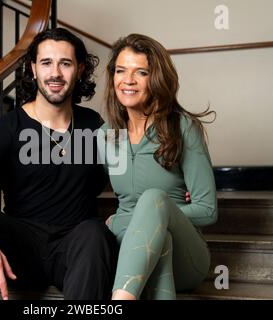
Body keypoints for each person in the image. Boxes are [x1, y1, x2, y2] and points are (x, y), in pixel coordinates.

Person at [0, 28, 118, 300]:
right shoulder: (7, 128)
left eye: (66, 63)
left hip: (75, 249)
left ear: (80, 69)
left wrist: (174, 190)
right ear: (33, 69)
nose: (56, 73)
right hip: (20, 250)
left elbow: (131, 174)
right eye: (46, 63)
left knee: (95, 233)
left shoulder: (94, 125)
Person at [97, 34, 217, 300]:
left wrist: (160, 211)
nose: (127, 80)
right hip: (132, 247)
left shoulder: (182, 127)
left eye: (141, 72)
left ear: (157, 79)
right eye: (120, 71)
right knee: (161, 241)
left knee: (153, 200)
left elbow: (208, 210)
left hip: (187, 259)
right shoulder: (106, 136)